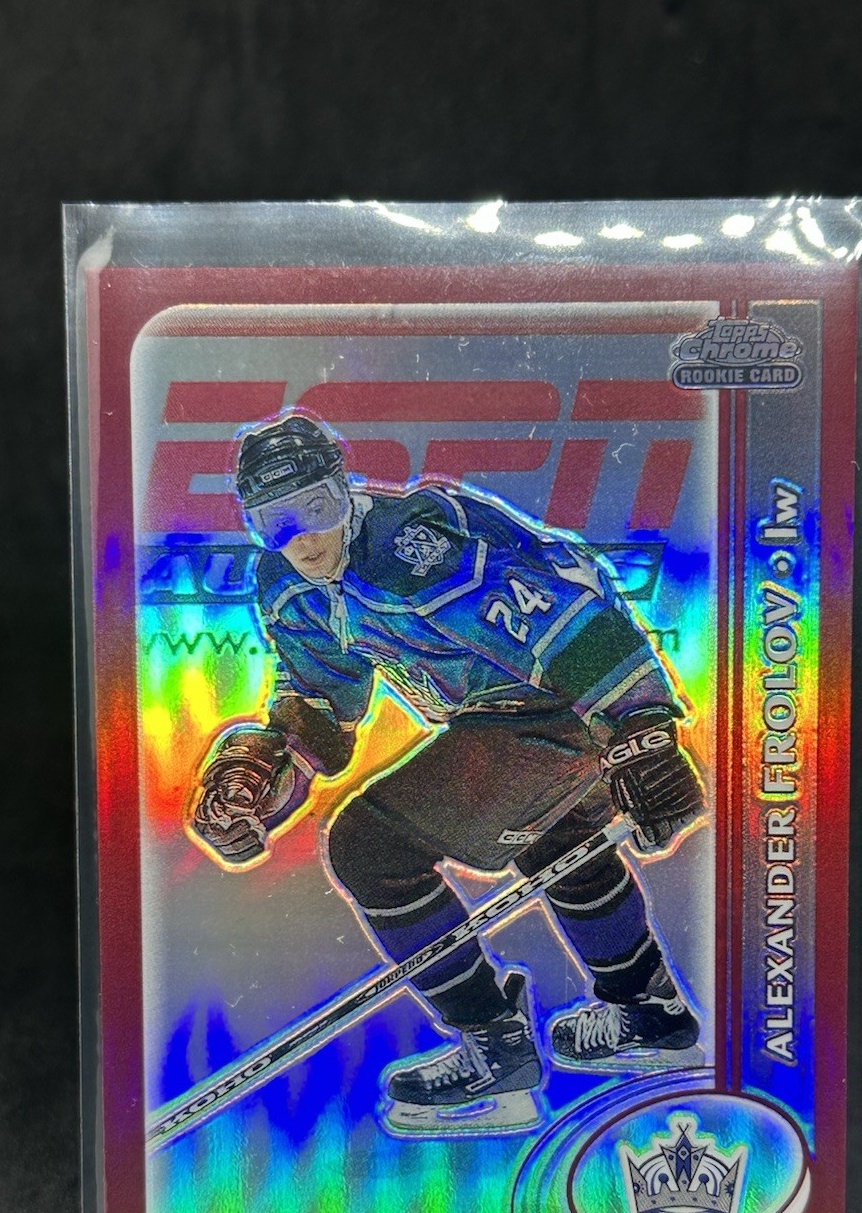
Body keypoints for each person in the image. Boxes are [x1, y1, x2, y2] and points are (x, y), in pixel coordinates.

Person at [189, 413, 705, 1135]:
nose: (302, 539)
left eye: (315, 507)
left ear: (344, 488)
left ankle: (496, 1053)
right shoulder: (286, 585)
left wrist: (642, 729)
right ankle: (650, 1014)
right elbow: (324, 705)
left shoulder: (408, 549)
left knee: (372, 847)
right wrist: (260, 784)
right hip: (526, 711)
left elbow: (562, 621)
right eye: (275, 522)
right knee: (553, 841)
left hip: (559, 699)